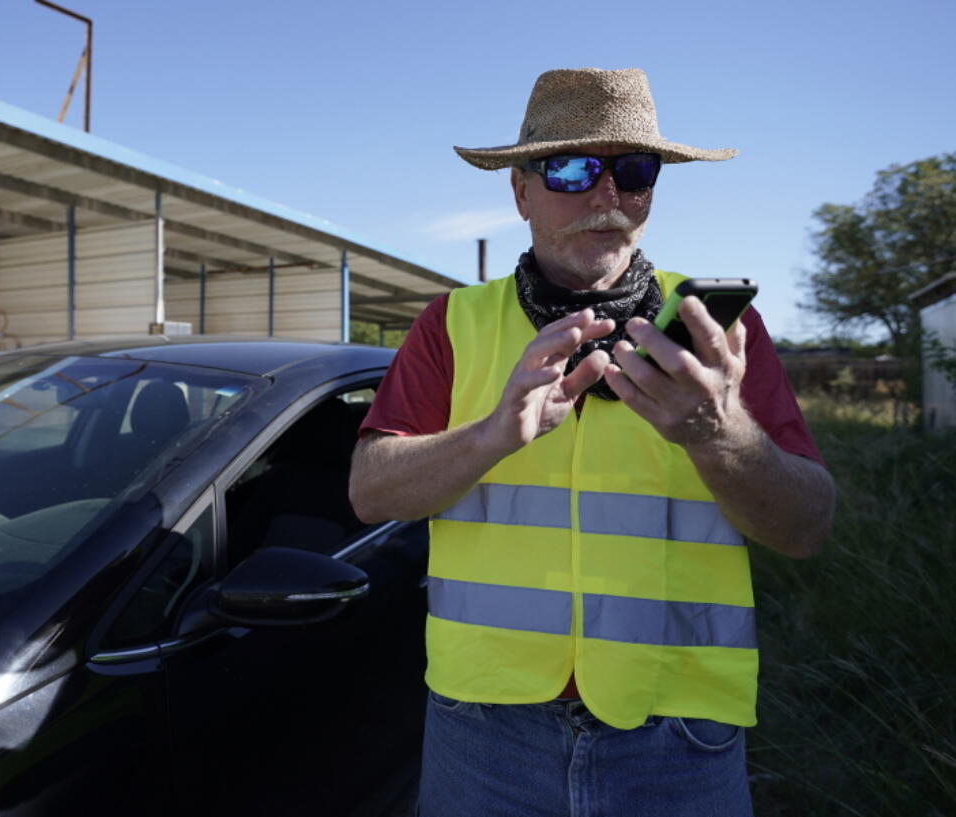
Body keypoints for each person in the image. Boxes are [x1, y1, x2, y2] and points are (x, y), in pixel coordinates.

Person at [348, 68, 836, 817]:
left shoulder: (717, 331)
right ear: (520, 192)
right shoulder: (450, 324)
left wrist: (719, 434)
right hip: (484, 733)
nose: (606, 196)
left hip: (678, 736)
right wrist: (491, 436)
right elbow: (370, 490)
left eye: (634, 171)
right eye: (572, 169)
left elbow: (807, 529)